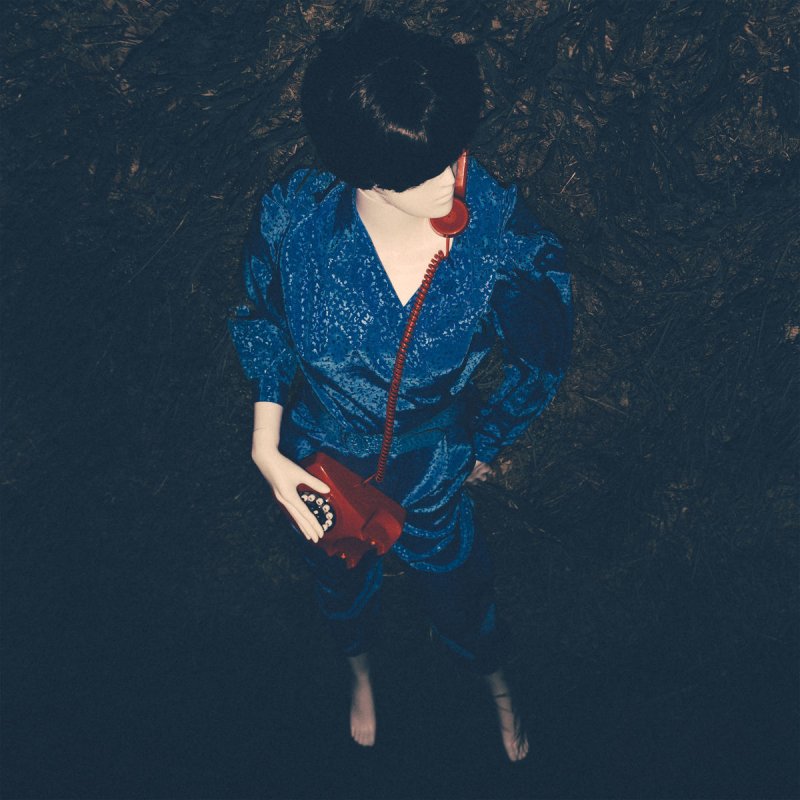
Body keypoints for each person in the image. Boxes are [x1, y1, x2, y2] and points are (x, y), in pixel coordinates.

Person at [229, 18, 572, 762]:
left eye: (453, 153)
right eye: (422, 172)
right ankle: (359, 671)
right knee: (337, 575)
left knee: (456, 580)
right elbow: (262, 317)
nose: (452, 181)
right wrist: (265, 442)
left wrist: (485, 441)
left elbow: (542, 359)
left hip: (432, 463)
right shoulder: (295, 221)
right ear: (363, 172)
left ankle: (495, 678)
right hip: (320, 457)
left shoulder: (503, 243)